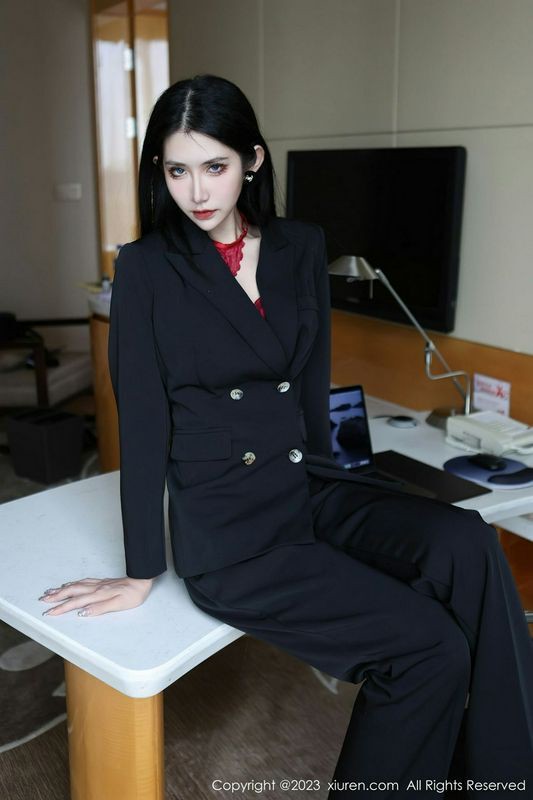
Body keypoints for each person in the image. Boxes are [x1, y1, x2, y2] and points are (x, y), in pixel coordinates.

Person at [39, 75, 533, 797]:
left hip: (309, 481)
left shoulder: (301, 245)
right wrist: (142, 569)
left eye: (215, 166)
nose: (196, 192)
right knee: (429, 651)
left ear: (253, 160)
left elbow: (309, 383)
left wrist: (348, 497)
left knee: (466, 540)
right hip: (231, 525)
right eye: (177, 170)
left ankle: (504, 777)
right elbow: (142, 422)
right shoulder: (147, 268)